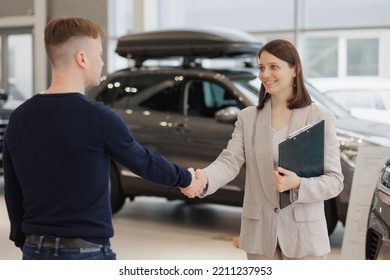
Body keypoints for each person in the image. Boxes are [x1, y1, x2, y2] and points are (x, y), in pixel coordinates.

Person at [3, 17, 203, 260]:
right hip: (85, 252)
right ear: (82, 58)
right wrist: (186, 178)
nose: (102, 62)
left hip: (34, 249)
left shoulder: (20, 117)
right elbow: (143, 161)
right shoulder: (98, 117)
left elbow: (13, 189)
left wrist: (23, 240)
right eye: (98, 54)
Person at [181, 39, 344, 260]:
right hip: (260, 236)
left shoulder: (319, 117)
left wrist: (299, 184)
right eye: (261, 67)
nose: (264, 74)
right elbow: (229, 161)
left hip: (304, 237)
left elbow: (334, 181)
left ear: (295, 69)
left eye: (273, 67)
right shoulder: (248, 118)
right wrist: (204, 179)